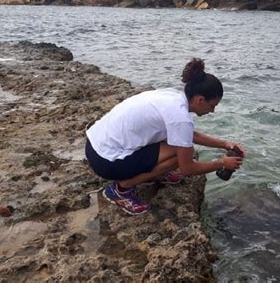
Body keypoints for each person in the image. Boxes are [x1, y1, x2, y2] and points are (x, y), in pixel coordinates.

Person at [85, 58, 246, 215]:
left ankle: (156, 171)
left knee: (181, 144)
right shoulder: (180, 118)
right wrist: (222, 163)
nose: (212, 111)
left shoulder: (173, 97)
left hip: (95, 146)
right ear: (200, 100)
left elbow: (190, 135)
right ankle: (120, 190)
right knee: (180, 155)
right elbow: (187, 169)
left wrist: (225, 144)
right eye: (212, 106)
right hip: (106, 161)